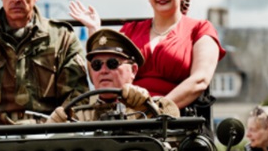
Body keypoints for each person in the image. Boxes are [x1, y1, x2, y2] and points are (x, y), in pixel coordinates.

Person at [69, 0, 224, 110]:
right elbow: (102, 70)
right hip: (128, 116)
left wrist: (158, 110)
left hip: (178, 120)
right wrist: (94, 30)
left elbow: (200, 80)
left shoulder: (199, 29)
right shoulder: (130, 31)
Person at [47, 29, 178, 122]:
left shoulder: (153, 107)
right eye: (96, 65)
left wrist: (147, 108)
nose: (103, 70)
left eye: (112, 63)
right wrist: (52, 128)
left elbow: (173, 127)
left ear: (133, 70)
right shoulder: (77, 115)